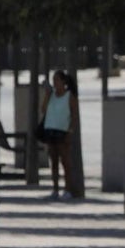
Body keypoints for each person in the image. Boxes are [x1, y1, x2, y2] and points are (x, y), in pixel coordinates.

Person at [39, 70, 79, 200]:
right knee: (54, 161)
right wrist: (47, 94)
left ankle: (68, 189)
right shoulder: (51, 95)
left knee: (65, 162)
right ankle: (55, 188)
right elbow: (43, 109)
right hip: (51, 130)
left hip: (63, 131)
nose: (55, 83)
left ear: (63, 81)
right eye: (53, 80)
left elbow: (74, 116)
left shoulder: (69, 96)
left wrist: (70, 131)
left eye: (57, 80)